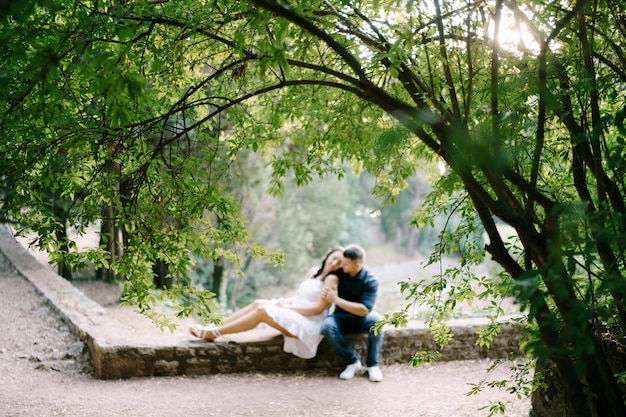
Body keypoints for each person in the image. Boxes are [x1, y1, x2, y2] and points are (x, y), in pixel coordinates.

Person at [189, 247, 343, 359]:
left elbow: (317, 308)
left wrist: (290, 307)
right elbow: (299, 294)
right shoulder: (314, 271)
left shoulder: (331, 280)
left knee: (262, 311)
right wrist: (284, 302)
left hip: (309, 321)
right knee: (258, 303)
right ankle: (216, 326)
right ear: (327, 256)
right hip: (296, 308)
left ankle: (215, 333)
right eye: (334, 258)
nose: (335, 263)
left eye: (339, 263)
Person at [320, 244, 384, 382]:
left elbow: (364, 310)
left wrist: (336, 300)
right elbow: (322, 276)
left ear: (357, 265)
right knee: (326, 326)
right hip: (340, 317)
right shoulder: (340, 272)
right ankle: (352, 362)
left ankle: (373, 365)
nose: (342, 265)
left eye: (346, 264)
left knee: (377, 321)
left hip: (362, 318)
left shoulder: (371, 280)